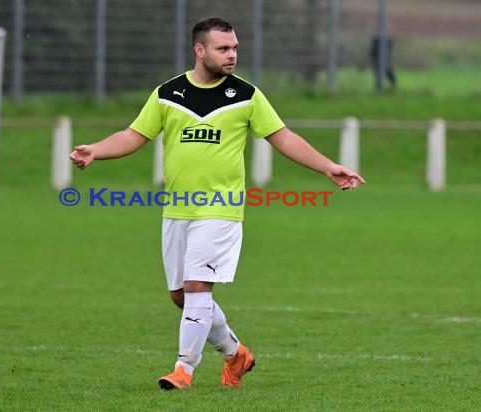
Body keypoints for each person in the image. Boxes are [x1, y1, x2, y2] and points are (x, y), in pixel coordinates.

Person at [70, 17, 365, 390]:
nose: (232, 55)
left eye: (235, 48)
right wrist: (95, 150)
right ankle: (235, 353)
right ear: (199, 50)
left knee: (197, 288)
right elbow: (134, 136)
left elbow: (284, 138)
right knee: (181, 296)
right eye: (223, 48)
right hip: (177, 209)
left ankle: (184, 369)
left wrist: (328, 167)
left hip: (221, 209)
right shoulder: (168, 94)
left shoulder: (246, 95)